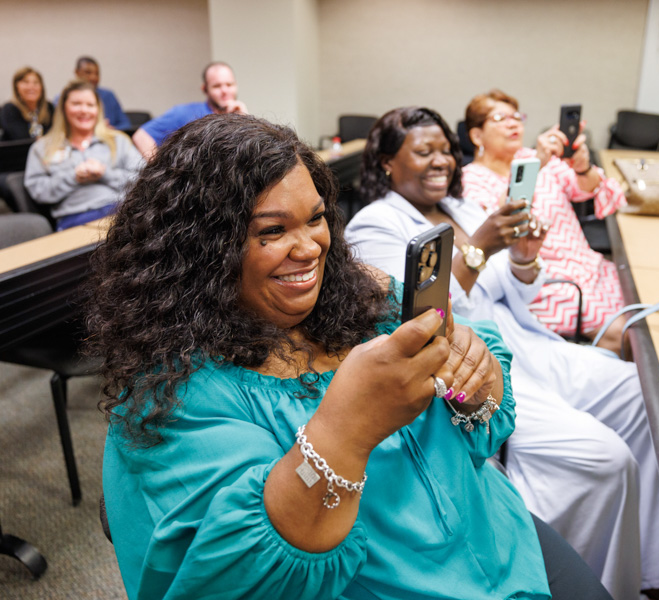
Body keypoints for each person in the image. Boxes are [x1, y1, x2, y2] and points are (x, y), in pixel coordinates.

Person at [87, 113, 613, 600]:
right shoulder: (174, 396)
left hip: (494, 538)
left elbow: (482, 413)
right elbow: (244, 575)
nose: (311, 246)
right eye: (273, 230)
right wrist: (346, 430)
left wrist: (477, 383)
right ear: (201, 249)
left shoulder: (364, 299)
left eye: (316, 219)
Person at [345, 107, 659, 600]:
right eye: (423, 151)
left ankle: (653, 572)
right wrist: (479, 248)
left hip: (523, 340)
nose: (441, 162)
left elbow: (508, 294)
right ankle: (584, 578)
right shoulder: (373, 226)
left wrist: (523, 258)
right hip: (469, 365)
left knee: (644, 393)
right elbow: (414, 317)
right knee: (605, 459)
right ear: (388, 163)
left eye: (444, 151)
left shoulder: (460, 208)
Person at [461, 90, 628, 354]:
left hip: (589, 267)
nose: (513, 123)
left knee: (644, 315)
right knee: (627, 334)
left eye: (517, 117)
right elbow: (500, 219)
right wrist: (535, 163)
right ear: (477, 135)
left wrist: (582, 166)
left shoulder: (535, 157)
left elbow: (586, 189)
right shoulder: (470, 179)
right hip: (543, 284)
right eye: (500, 118)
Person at [24, 80, 142, 230]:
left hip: (120, 211)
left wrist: (105, 173)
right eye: (76, 104)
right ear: (63, 108)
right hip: (74, 219)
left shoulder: (118, 140)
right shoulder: (42, 148)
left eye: (90, 105)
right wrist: (73, 177)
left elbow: (143, 179)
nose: (84, 110)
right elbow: (38, 192)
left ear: (98, 110)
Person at [131, 61, 247, 159]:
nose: (224, 91)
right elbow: (141, 136)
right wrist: (162, 173)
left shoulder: (241, 114)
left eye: (229, 85)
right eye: (217, 86)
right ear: (204, 89)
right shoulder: (184, 113)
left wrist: (245, 120)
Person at [68, 56, 131, 130]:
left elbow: (126, 124)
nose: (93, 77)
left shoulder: (108, 96)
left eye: (97, 74)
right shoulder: (63, 98)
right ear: (77, 72)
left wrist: (111, 129)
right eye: (88, 72)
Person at [1, 66, 53, 140]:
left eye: (36, 83)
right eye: (25, 82)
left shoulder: (49, 108)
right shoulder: (9, 110)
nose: (31, 87)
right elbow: (20, 138)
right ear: (16, 87)